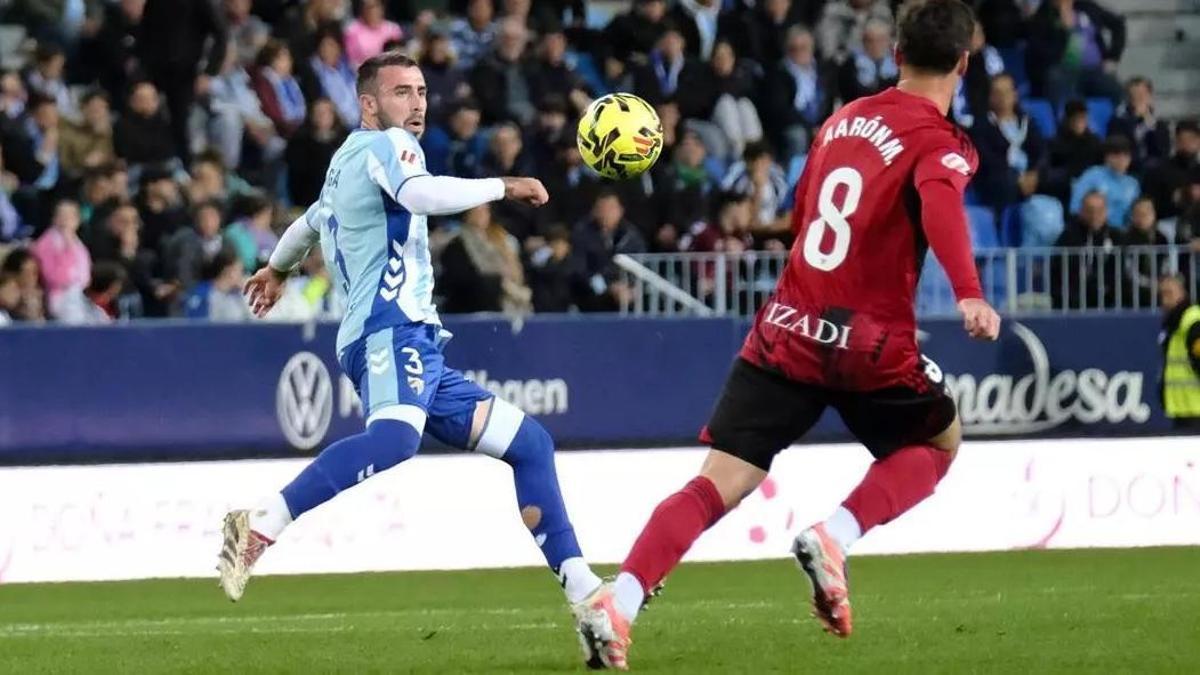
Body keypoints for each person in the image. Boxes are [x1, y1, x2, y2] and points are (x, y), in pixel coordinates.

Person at [574, 2, 1001, 669]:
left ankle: (619, 603)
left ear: (895, 56)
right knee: (939, 441)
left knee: (718, 481)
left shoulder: (841, 121)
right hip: (866, 343)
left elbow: (806, 216)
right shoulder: (940, 139)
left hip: (785, 330)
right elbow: (941, 201)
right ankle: (835, 534)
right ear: (964, 63)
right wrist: (970, 293)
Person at [218, 54, 605, 649]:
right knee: (396, 439)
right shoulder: (388, 147)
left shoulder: (344, 161)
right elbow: (418, 194)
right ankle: (262, 522)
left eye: (422, 91)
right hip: (387, 328)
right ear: (369, 104)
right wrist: (505, 185)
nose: (417, 103)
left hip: (413, 339)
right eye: (401, 92)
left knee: (530, 444)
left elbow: (308, 224)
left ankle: (583, 589)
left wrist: (275, 268)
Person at [969, 73, 1045, 212]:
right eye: (997, 93)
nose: (1003, 97)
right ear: (990, 97)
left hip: (1029, 176)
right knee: (1006, 182)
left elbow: (1040, 150)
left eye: (1007, 92)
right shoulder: (982, 126)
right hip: (1001, 179)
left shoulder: (1026, 121)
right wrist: (1017, 177)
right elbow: (988, 160)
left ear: (1015, 94)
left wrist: (1034, 173)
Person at [30, 199, 91, 314]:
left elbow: (85, 275)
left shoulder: (78, 244)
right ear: (54, 219)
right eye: (61, 215)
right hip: (57, 295)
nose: (65, 220)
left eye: (70, 216)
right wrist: (67, 249)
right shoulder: (45, 243)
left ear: (78, 220)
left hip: (79, 293)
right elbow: (51, 277)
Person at [1070, 134, 1139, 228]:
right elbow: (1075, 208)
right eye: (1116, 155)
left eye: (1126, 155)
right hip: (1094, 230)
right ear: (1107, 157)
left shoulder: (1133, 184)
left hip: (1123, 235)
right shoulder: (1092, 175)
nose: (1121, 159)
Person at [1159, 274, 1200, 428]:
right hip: (1182, 408)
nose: (1165, 299)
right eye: (1162, 294)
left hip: (1195, 409)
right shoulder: (1172, 323)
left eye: (1169, 293)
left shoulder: (1192, 319)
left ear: (1183, 292)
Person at [343, 0, 404, 68]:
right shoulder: (352, 31)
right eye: (368, 7)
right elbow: (351, 62)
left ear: (382, 8)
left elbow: (400, 56)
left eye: (375, 6)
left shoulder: (393, 29)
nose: (372, 11)